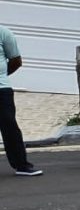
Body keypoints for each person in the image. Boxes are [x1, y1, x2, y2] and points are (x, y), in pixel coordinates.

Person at [0, 24, 41, 176]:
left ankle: (22, 165)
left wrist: (2, 76)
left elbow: (16, 60)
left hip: (2, 89)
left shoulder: (4, 33)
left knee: (9, 125)